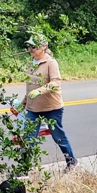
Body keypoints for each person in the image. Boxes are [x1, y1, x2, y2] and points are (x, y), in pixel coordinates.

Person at [22, 33, 77, 170]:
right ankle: (24, 169)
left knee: (58, 136)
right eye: (30, 47)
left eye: (34, 47)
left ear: (44, 47)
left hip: (51, 107)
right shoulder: (30, 64)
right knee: (28, 137)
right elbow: (30, 86)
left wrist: (40, 91)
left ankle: (71, 161)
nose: (31, 50)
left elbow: (56, 82)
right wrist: (24, 101)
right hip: (33, 108)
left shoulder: (51, 63)